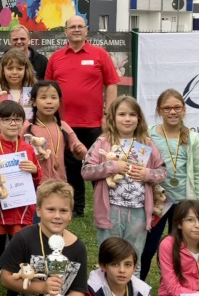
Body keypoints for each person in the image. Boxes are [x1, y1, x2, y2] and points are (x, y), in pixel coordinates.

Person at [46, 15, 120, 217]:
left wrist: (108, 114)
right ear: (66, 32)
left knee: (99, 166)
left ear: (86, 31)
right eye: (72, 27)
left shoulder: (99, 54)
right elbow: (48, 89)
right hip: (65, 124)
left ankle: (104, 206)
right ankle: (77, 208)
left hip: (94, 122)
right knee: (71, 168)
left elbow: (112, 84)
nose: (76, 30)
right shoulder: (56, 57)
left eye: (80, 26)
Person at [82, 96, 167, 269]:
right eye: (122, 114)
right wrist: (113, 166)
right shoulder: (103, 142)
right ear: (113, 118)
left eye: (132, 115)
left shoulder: (146, 143)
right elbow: (86, 171)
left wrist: (147, 174)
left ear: (139, 119)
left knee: (133, 259)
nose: (127, 119)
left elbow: (162, 171)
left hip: (138, 213)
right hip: (110, 210)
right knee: (109, 256)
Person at [140, 89, 199, 280]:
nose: (172, 112)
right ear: (159, 110)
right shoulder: (147, 136)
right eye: (167, 108)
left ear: (184, 110)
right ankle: (138, 287)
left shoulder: (193, 139)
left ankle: (175, 289)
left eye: (177, 107)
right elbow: (138, 165)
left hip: (184, 203)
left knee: (179, 251)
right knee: (147, 249)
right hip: (157, 203)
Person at [0, 101, 42, 296]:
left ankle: (14, 291)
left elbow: (39, 179)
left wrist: (34, 171)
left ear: (23, 122)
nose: (13, 123)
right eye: (7, 119)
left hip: (22, 213)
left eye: (17, 119)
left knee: (18, 257)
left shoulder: (28, 148)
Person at [0, 180, 88, 296]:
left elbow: (78, 289)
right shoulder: (23, 238)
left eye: (64, 211)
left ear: (70, 214)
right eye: (51, 209)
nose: (57, 216)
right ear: (38, 210)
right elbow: (5, 278)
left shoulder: (77, 247)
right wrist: (41, 287)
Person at [22, 81, 87, 184]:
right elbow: (16, 151)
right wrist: (32, 158)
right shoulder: (26, 126)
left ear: (59, 102)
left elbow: (76, 144)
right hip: (35, 183)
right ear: (33, 102)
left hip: (60, 181)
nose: (49, 102)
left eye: (53, 97)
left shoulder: (63, 126)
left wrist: (81, 150)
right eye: (43, 98)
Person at [158, 200, 199, 296]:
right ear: (179, 224)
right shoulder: (167, 245)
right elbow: (172, 287)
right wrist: (198, 294)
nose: (197, 225)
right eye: (190, 220)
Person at [87, 237, 151, 296]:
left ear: (134, 267)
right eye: (115, 264)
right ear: (103, 266)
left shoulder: (141, 291)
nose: (122, 270)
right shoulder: (92, 291)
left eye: (127, 265)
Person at [0, 48, 37, 123]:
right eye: (10, 68)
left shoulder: (32, 93)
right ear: (3, 71)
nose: (14, 72)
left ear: (26, 70)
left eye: (19, 69)